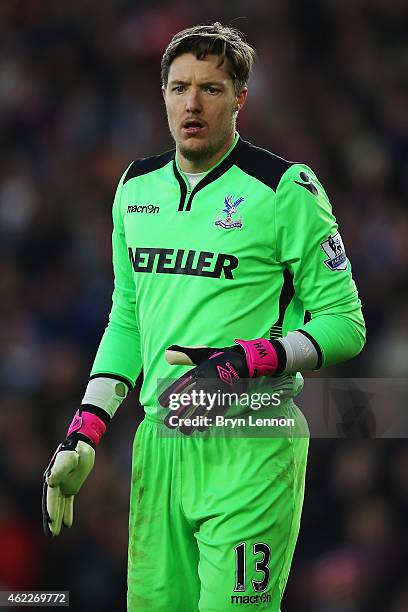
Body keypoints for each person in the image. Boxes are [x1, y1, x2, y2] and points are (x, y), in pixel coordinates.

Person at [42, 22, 366, 611]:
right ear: (162, 94)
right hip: (160, 446)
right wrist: (85, 428)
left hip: (252, 443)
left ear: (240, 99)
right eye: (178, 87)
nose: (192, 103)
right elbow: (128, 320)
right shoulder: (135, 189)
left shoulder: (284, 189)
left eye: (211, 89)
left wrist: (255, 357)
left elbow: (345, 323)